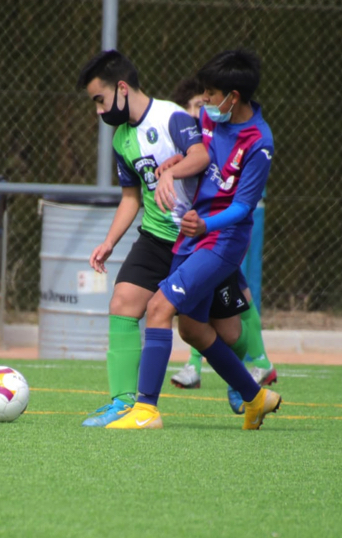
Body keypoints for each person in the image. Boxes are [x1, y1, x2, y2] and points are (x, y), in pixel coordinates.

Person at [77, 50, 254, 427]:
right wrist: (109, 241)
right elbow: (131, 197)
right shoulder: (122, 140)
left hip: (199, 241)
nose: (99, 110)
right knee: (123, 301)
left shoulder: (172, 116)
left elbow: (202, 155)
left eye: (100, 100)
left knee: (226, 331)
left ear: (121, 89)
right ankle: (123, 403)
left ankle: (241, 379)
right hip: (157, 238)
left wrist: (170, 173)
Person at [167, 77, 278, 393]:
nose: (203, 101)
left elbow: (243, 206)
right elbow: (198, 159)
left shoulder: (259, 141)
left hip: (220, 239)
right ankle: (248, 379)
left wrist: (206, 225)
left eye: (209, 95)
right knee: (211, 329)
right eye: (200, 95)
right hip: (190, 234)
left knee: (161, 306)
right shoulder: (203, 120)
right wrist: (179, 163)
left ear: (233, 97)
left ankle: (144, 405)